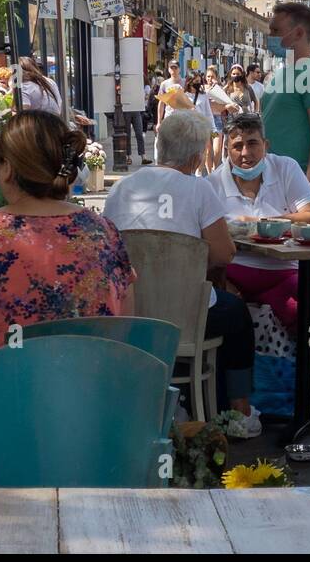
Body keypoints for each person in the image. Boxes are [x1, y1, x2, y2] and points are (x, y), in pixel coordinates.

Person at [0, 110, 137, 479]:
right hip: (97, 412)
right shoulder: (105, 231)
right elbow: (127, 330)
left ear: (5, 169)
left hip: (11, 422)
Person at [103, 111, 260, 437]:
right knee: (236, 313)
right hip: (186, 317)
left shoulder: (121, 189)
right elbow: (223, 253)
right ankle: (237, 411)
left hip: (131, 314)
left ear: (160, 145)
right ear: (197, 154)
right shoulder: (198, 189)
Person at [212, 113, 310, 336]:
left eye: (252, 143)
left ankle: (293, 368)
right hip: (233, 274)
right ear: (226, 149)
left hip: (282, 271)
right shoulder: (212, 184)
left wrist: (260, 223)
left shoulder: (285, 168)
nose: (245, 153)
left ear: (266, 145)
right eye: (237, 146)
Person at [260, 2, 310, 199]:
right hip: (274, 180)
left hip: (297, 182)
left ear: (299, 33)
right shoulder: (282, 72)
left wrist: (307, 188)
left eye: (276, 30)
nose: (271, 36)